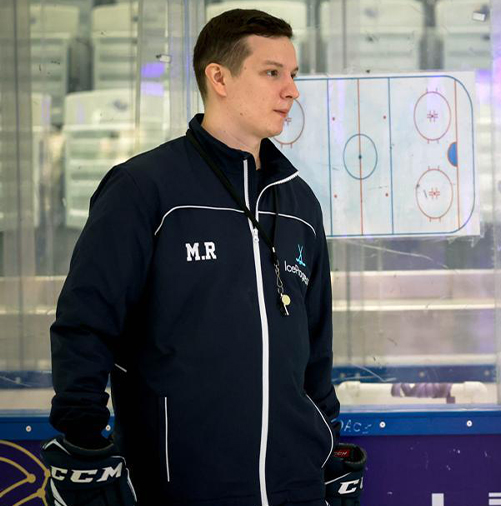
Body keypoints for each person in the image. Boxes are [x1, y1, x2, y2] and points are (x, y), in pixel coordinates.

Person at [41, 9, 365, 506]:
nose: (292, 91)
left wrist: (328, 453)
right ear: (219, 78)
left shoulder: (298, 201)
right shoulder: (145, 189)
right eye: (272, 72)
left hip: (292, 486)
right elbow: (86, 323)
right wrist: (84, 442)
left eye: (293, 75)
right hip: (181, 485)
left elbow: (315, 352)